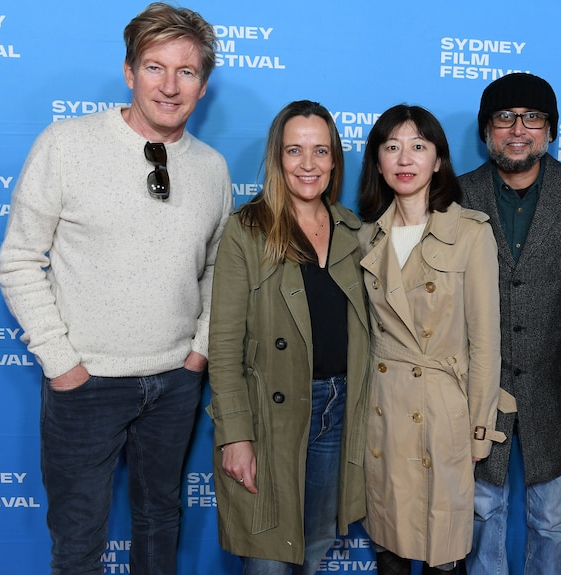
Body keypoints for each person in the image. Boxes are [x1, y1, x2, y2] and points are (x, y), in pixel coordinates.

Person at [0, 3, 231, 574]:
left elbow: (219, 271)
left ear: (203, 84)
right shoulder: (66, 144)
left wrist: (197, 352)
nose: (169, 87)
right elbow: (20, 259)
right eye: (155, 68)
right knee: (78, 540)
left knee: (160, 524)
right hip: (86, 383)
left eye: (187, 72)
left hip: (175, 382)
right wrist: (63, 363)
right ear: (129, 72)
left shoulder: (213, 168)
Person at [207, 100, 370, 575]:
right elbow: (223, 345)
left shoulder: (351, 229)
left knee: (315, 544)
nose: (308, 164)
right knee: (269, 562)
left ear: (335, 160)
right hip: (269, 416)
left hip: (335, 412)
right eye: (295, 150)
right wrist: (235, 435)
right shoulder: (247, 229)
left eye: (320, 151)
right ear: (277, 157)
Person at [458, 73, 561, 575]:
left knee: (552, 523)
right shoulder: (451, 197)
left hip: (559, 393)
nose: (518, 129)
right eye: (504, 117)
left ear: (550, 129)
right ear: (486, 130)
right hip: (473, 394)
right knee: (480, 518)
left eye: (532, 117)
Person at [357, 104, 503, 575]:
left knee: (443, 555)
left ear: (438, 160)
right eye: (392, 146)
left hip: (444, 414)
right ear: (377, 161)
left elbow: (485, 343)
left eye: (419, 146)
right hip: (384, 410)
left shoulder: (470, 233)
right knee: (390, 551)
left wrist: (479, 429)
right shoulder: (366, 237)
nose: (405, 158)